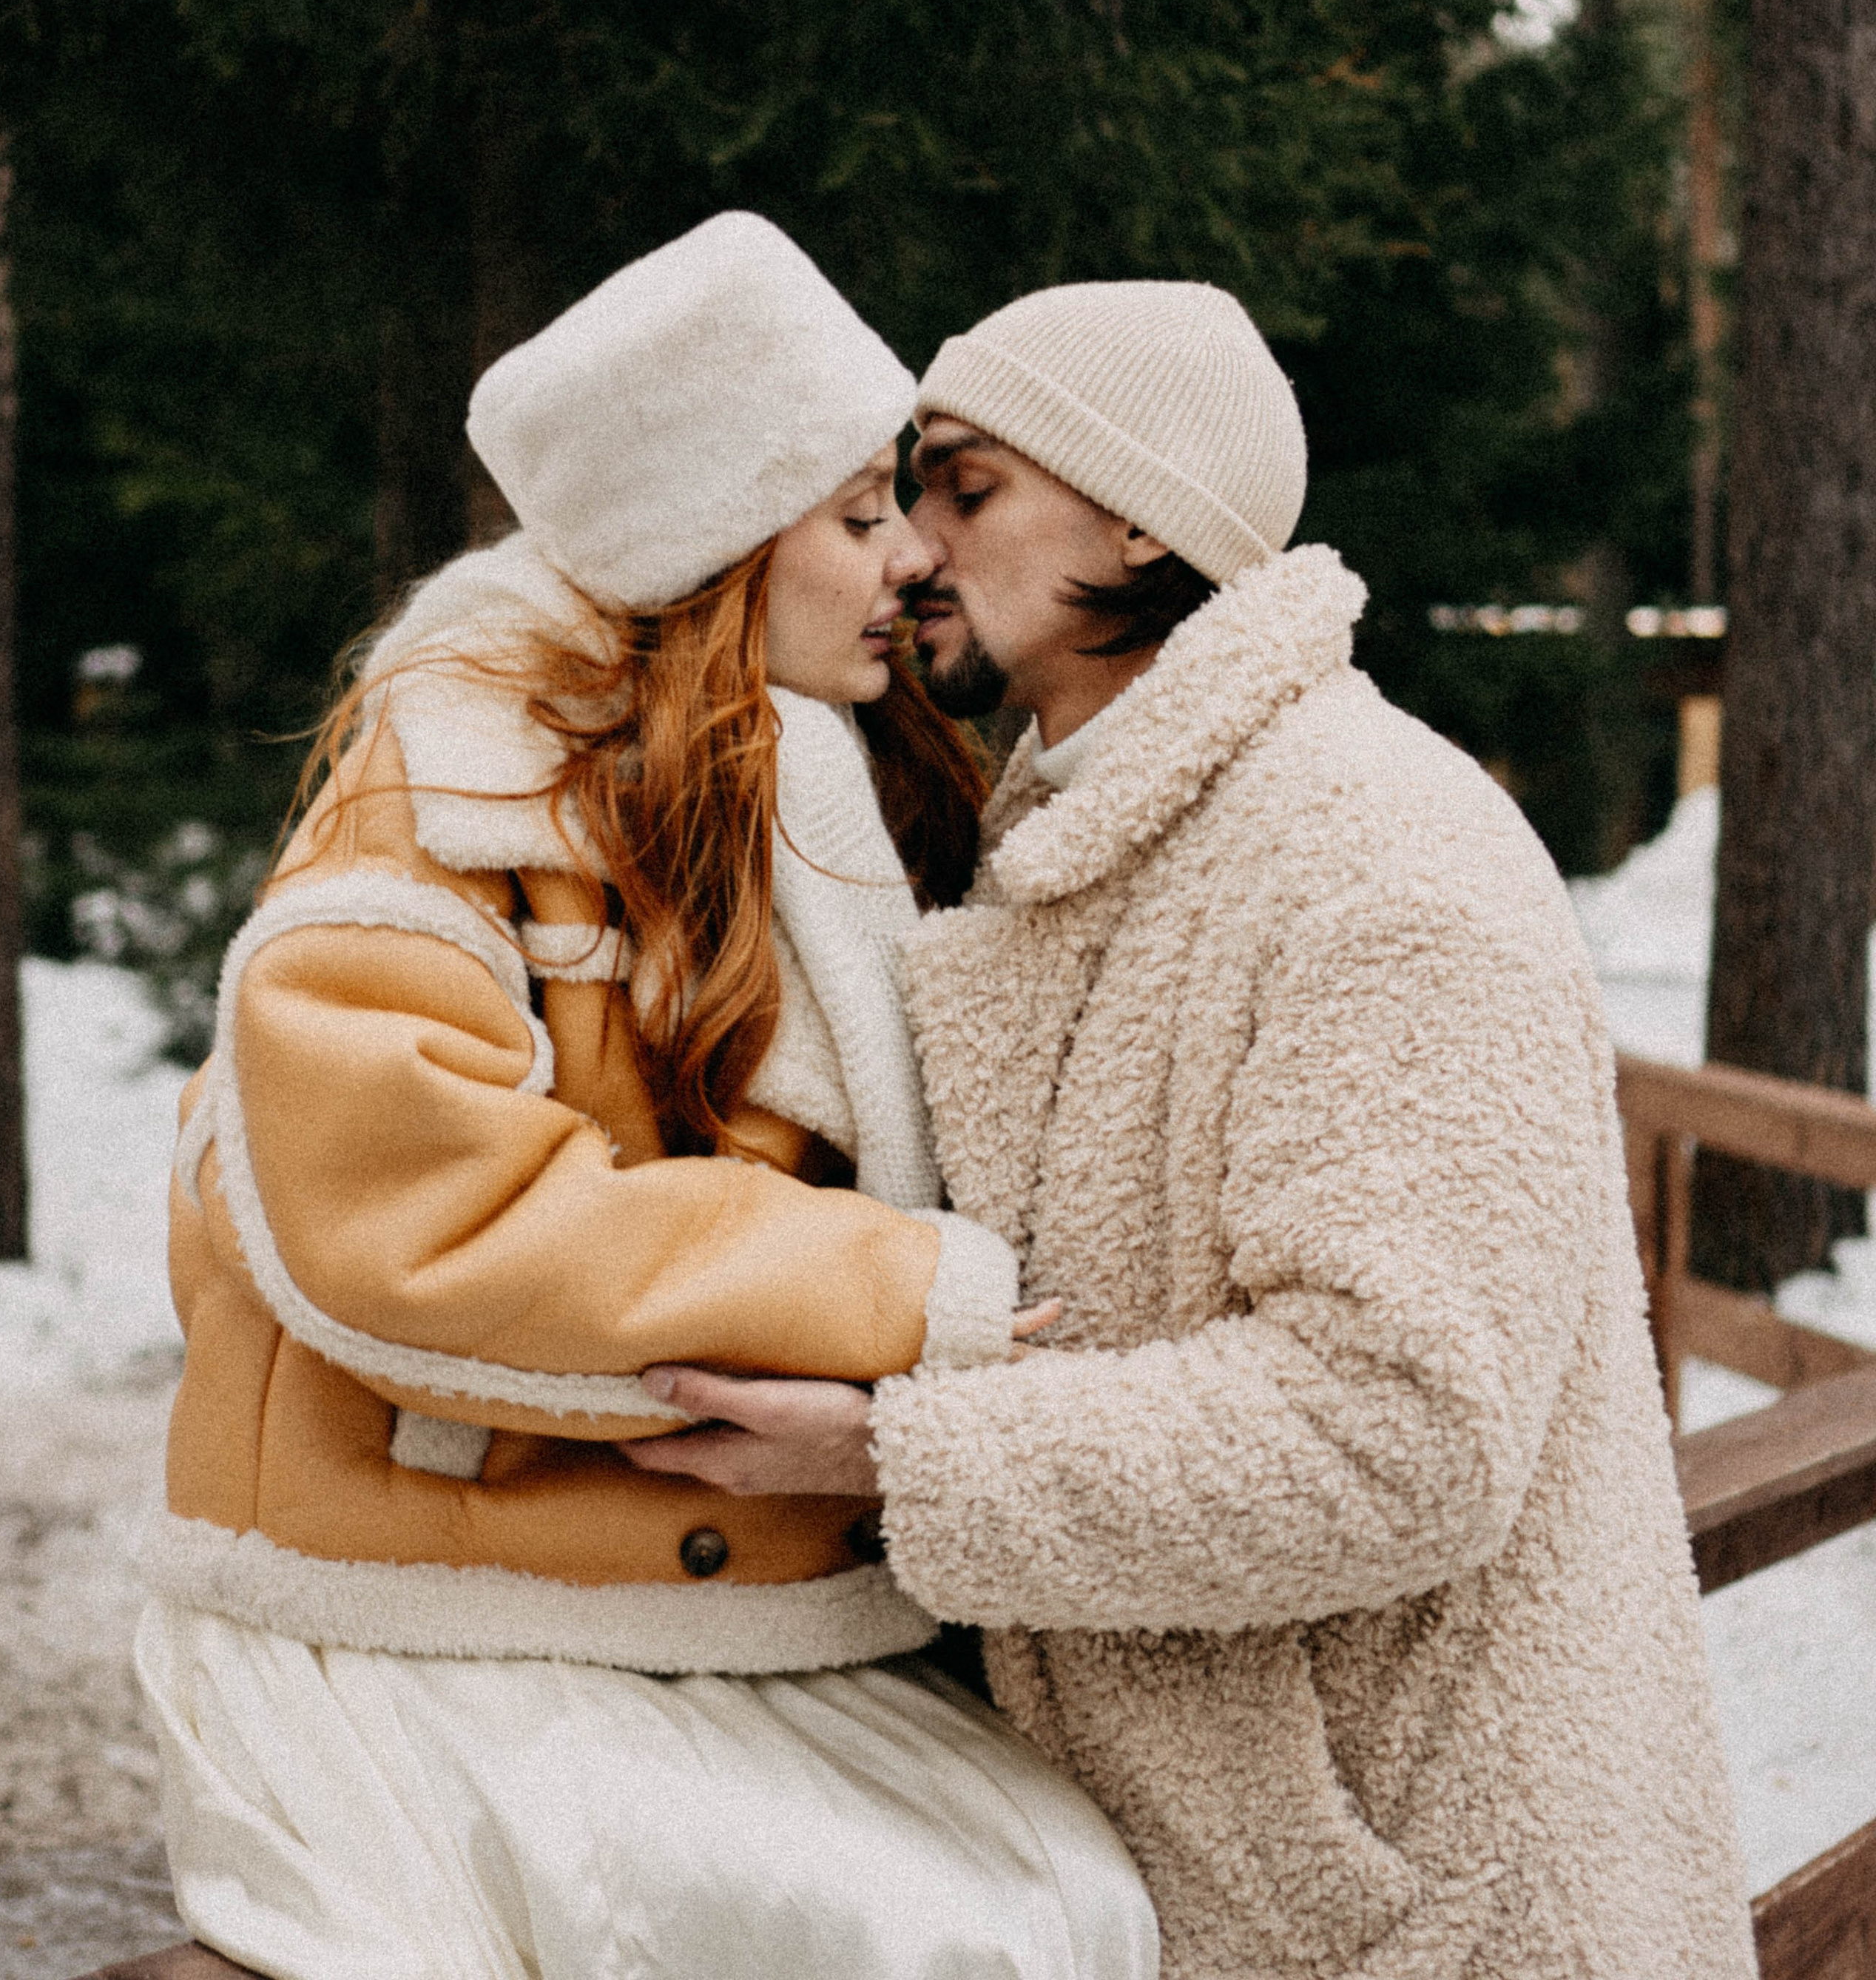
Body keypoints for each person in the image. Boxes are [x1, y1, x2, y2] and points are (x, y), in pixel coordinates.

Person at [624, 277, 1759, 1980]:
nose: (911, 547)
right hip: (1223, 1894)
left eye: (964, 483)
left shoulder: (1374, 851)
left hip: (1437, 1908)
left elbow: (1398, 1434)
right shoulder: (1098, 847)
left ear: (1138, 511)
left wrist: (892, 1452)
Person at [133, 217, 1159, 1980]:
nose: (912, 559)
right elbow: (423, 1221)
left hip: (706, 1606)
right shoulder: (444, 797)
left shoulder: (809, 777)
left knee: (1076, 1911)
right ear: (708, 546)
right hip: (421, 1620)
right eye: (855, 516)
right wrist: (906, 1296)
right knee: (946, 1939)